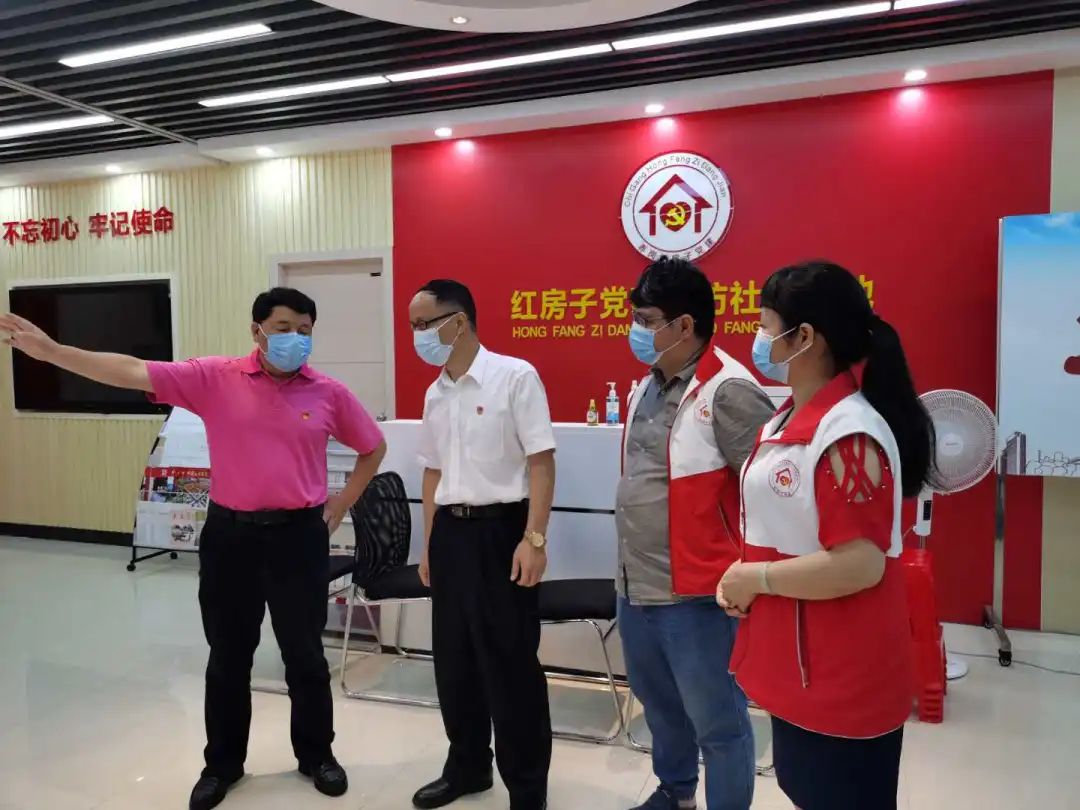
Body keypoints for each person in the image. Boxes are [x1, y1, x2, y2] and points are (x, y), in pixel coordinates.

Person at [1, 288, 387, 810]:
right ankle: (222, 765)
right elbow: (132, 370)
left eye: (304, 330)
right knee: (228, 656)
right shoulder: (214, 377)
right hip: (232, 537)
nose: (294, 339)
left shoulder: (328, 393)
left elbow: (372, 447)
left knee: (305, 655)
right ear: (257, 331)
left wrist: (342, 501)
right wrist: (53, 353)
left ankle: (317, 755)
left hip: (299, 538)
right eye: (283, 328)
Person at [718, 260, 937, 810]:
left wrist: (754, 577)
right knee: (804, 788)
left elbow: (860, 563)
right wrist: (745, 580)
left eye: (766, 327)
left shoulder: (849, 434)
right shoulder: (785, 418)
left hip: (842, 676)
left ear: (805, 338)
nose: (758, 340)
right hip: (796, 663)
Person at [617, 258, 774, 810]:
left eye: (646, 319)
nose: (635, 330)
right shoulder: (648, 386)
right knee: (660, 708)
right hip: (636, 586)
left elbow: (769, 494)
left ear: (685, 326)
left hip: (697, 595)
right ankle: (676, 793)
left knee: (718, 723)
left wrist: (750, 576)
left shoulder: (729, 391)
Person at [407, 279, 556, 810]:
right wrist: (429, 546)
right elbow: (432, 473)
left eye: (424, 324)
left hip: (502, 532)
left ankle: (527, 790)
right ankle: (468, 767)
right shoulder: (436, 392)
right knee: (455, 662)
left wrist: (534, 539)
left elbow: (541, 462)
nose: (418, 335)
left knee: (510, 666)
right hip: (451, 534)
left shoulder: (514, 377)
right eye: (412, 326)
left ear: (459, 321)